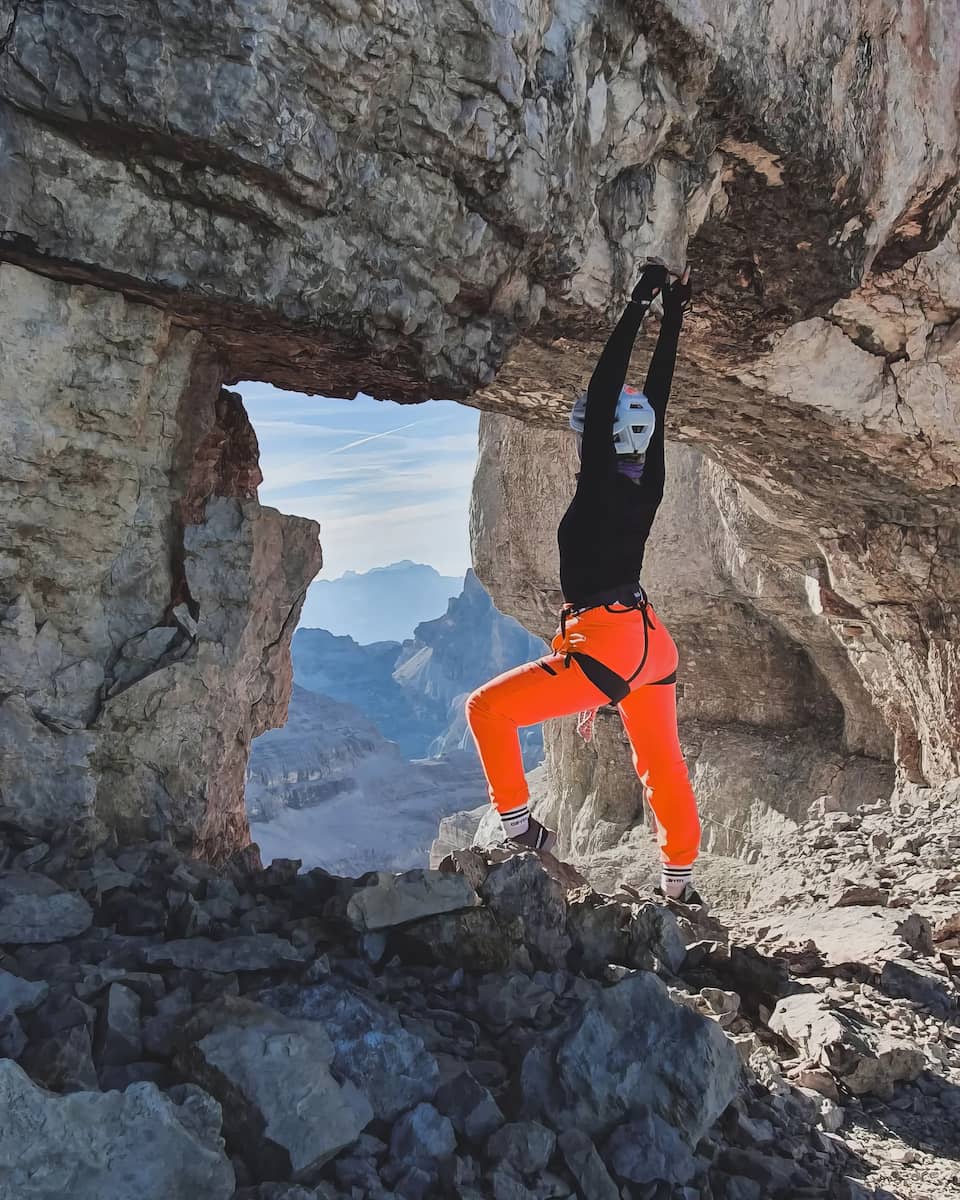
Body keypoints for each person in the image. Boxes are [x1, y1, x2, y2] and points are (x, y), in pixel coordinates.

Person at [465, 261, 702, 903]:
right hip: (649, 639)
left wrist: (640, 302)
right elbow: (657, 394)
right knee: (662, 764)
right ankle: (679, 881)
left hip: (608, 642)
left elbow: (610, 390)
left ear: (600, 435)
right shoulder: (645, 478)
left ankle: (518, 824)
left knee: (485, 709)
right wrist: (675, 312)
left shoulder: (600, 481)